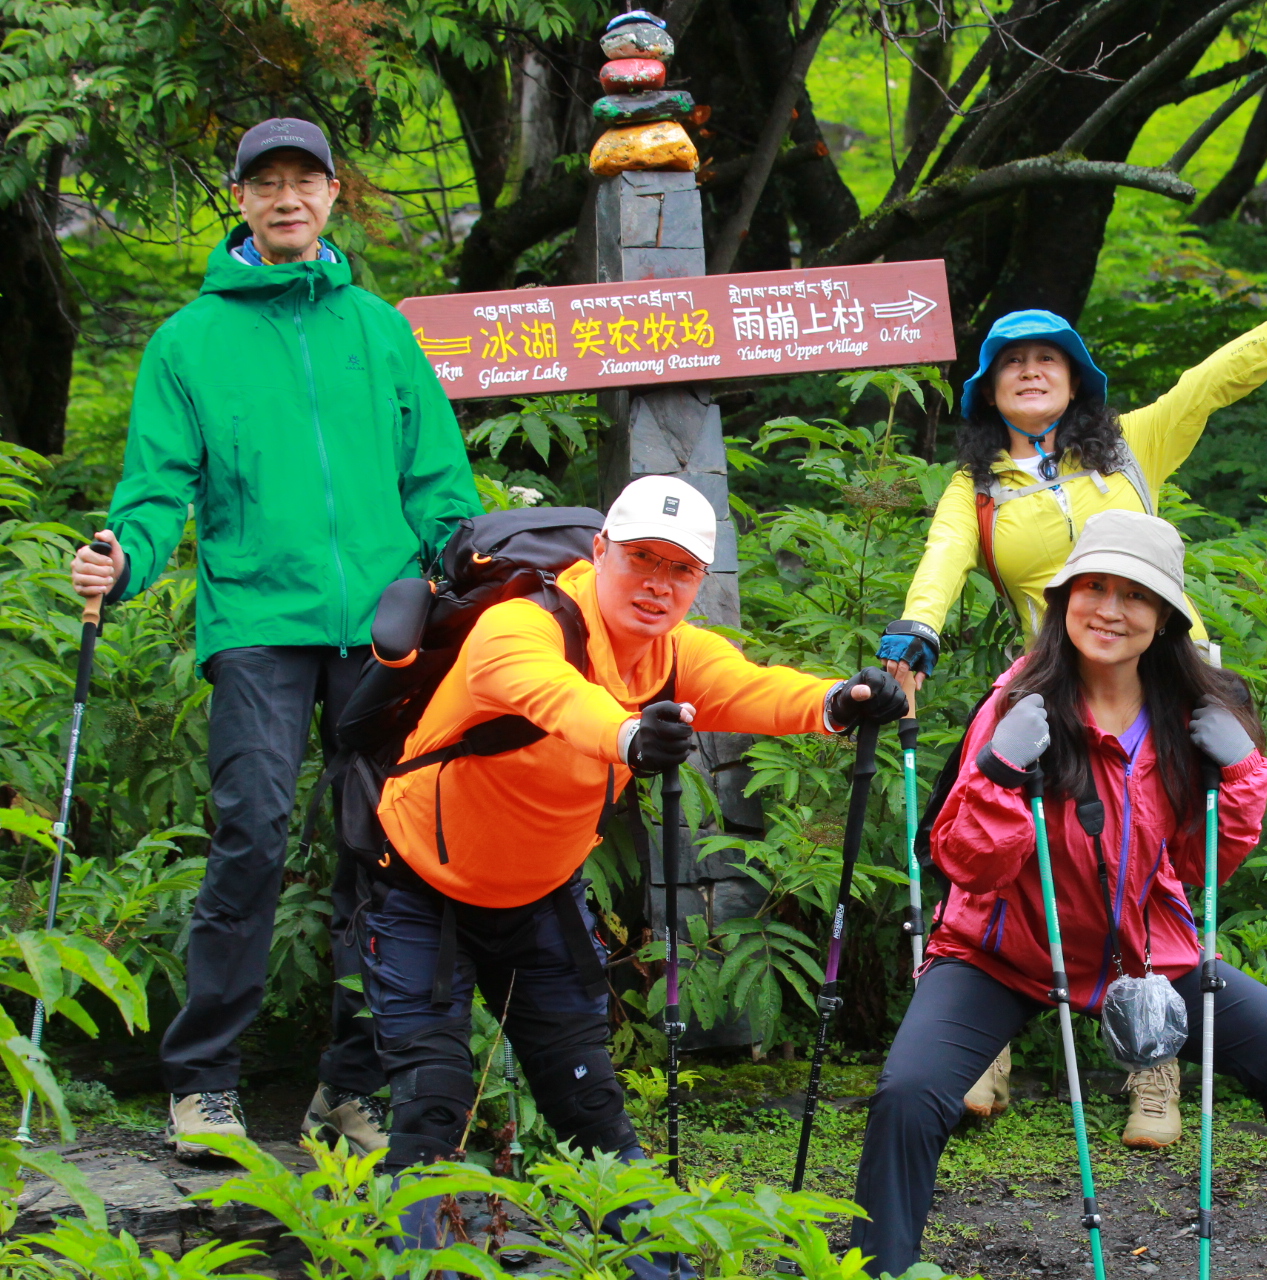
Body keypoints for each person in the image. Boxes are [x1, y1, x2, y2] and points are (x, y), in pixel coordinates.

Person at [852, 510, 1267, 1280]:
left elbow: (1201, 864)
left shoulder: (1185, 712)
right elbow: (968, 865)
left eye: (1135, 595)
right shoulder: (1017, 702)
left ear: (1166, 616)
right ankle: (877, 1269)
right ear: (1063, 598)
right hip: (1004, 950)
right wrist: (1002, 776)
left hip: (1142, 948)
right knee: (909, 1093)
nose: (1110, 610)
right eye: (1093, 588)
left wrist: (1240, 775)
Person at [877, 260, 1267, 1145]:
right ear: (989, 391)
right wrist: (916, 632)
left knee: (1156, 876)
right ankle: (981, 1034)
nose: (1031, 371)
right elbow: (942, 559)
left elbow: (1211, 381)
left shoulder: (1129, 448)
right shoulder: (976, 488)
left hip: (1166, 693)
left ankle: (1156, 1071)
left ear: (1077, 382)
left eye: (1049, 359)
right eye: (1011, 362)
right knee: (985, 830)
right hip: (1055, 695)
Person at [69, 118, 481, 1158]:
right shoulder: (189, 342)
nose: (287, 197)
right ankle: (204, 1082)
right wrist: (123, 556)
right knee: (251, 833)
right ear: (242, 200)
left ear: (334, 195)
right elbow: (155, 490)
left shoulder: (379, 330)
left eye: (306, 179)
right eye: (267, 183)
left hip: (383, 625)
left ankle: (353, 1083)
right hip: (257, 621)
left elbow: (438, 481)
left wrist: (470, 570)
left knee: (380, 848)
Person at [362, 475, 908, 1257]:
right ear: (599, 551)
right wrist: (627, 737)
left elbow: (752, 689)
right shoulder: (518, 625)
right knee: (430, 1107)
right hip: (421, 886)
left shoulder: (675, 654)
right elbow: (555, 698)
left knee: (592, 1110)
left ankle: (659, 1267)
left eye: (681, 569)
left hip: (540, 897)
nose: (658, 583)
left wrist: (839, 702)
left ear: (699, 581)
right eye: (641, 558)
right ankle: (415, 1264)